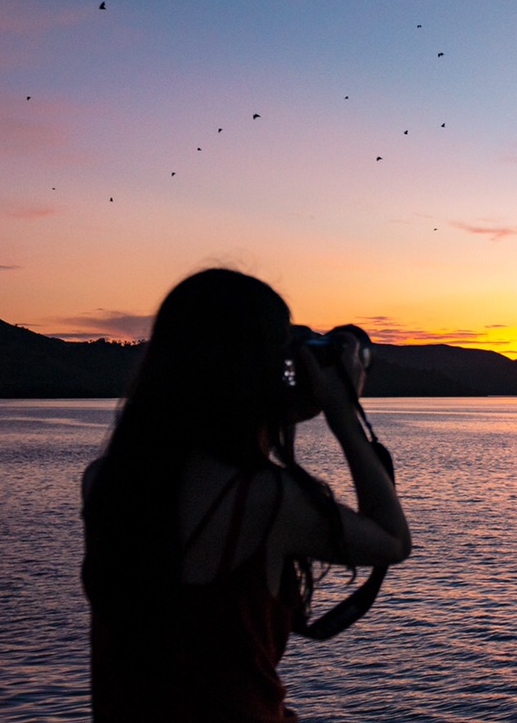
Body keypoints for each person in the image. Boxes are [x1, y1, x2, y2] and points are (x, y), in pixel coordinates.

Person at [82, 268, 411, 722]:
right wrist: (341, 412)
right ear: (258, 370)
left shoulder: (104, 483)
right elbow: (392, 541)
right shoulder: (266, 499)